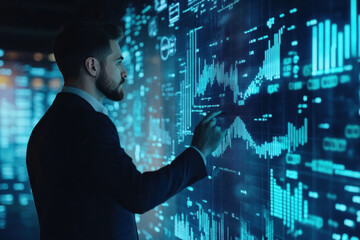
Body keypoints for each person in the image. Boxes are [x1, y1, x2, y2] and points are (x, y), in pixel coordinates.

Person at [26, 21, 225, 240]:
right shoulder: (89, 124)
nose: (124, 73)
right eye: (118, 62)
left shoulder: (44, 127)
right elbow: (138, 195)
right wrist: (198, 151)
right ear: (92, 66)